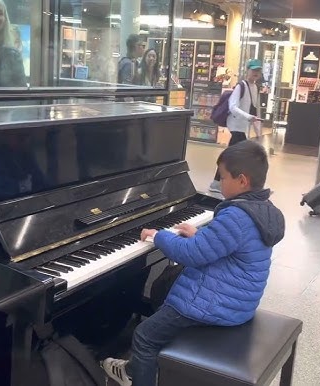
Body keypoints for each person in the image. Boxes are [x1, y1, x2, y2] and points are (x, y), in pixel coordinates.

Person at [101, 140, 285, 386]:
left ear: (242, 181)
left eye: (223, 177)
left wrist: (159, 235)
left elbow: (190, 255)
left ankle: (134, 374)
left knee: (144, 336)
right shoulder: (261, 209)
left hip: (214, 305)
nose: (219, 182)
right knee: (164, 295)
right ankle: (141, 366)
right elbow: (230, 246)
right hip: (239, 302)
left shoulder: (235, 216)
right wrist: (201, 236)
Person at [209, 59, 263, 193]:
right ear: (247, 71)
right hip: (236, 126)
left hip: (243, 127)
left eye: (258, 71)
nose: (256, 73)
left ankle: (218, 183)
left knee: (231, 156)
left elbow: (253, 109)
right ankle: (222, 184)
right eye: (253, 70)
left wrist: (257, 130)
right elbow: (232, 107)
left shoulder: (255, 87)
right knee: (239, 155)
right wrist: (248, 117)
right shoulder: (241, 86)